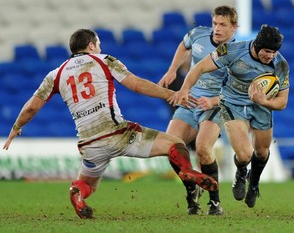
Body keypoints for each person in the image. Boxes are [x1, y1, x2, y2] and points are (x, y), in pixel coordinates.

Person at [2, 29, 218, 219]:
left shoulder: (55, 74)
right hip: (119, 133)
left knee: (87, 185)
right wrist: (171, 94)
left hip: (89, 144)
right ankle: (187, 171)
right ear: (91, 45)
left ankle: (77, 193)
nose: (99, 48)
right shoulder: (104, 60)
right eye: (98, 44)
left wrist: (16, 128)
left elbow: (31, 107)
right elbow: (136, 85)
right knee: (176, 144)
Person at [171, 25, 290, 208]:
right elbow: (200, 67)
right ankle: (241, 172)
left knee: (262, 151)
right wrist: (185, 89)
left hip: (261, 105)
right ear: (257, 46)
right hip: (232, 102)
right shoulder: (232, 51)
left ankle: (254, 184)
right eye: (267, 51)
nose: (270, 56)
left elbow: (282, 102)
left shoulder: (280, 65)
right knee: (244, 155)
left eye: (274, 52)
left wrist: (264, 101)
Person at [158, 5, 238, 215]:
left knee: (203, 148)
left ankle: (215, 202)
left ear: (234, 28)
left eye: (223, 25)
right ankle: (192, 191)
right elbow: (184, 46)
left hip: (215, 105)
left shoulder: (238, 53)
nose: (217, 29)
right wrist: (172, 69)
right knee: (171, 146)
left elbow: (237, 92)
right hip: (191, 100)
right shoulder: (198, 34)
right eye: (215, 23)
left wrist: (213, 101)